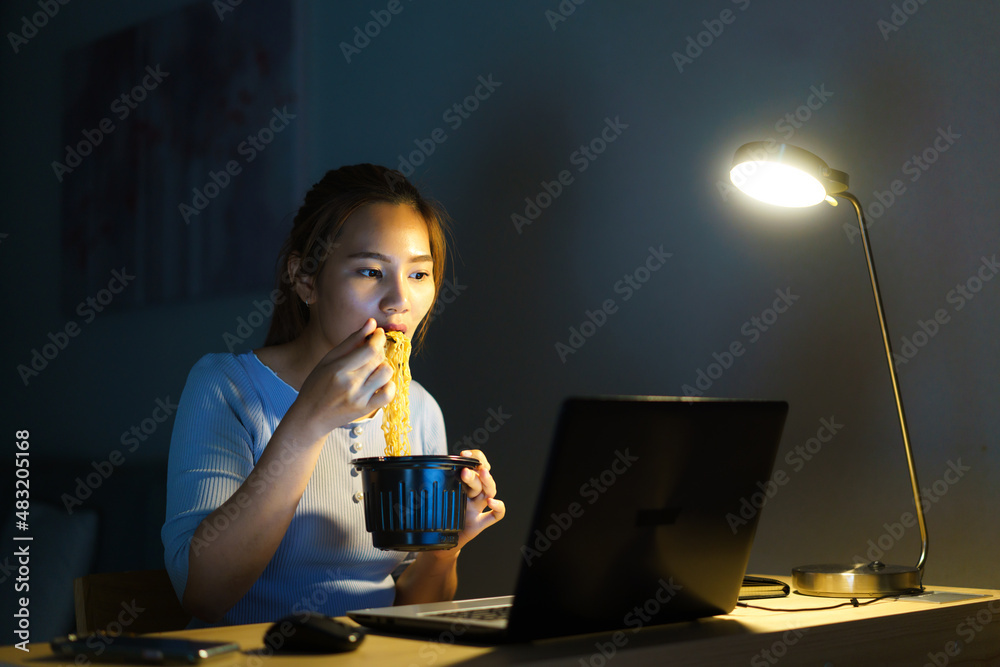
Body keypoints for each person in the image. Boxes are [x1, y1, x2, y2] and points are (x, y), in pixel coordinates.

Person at [161, 164, 504, 626]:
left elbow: (414, 615)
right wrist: (309, 420)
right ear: (305, 278)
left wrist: (446, 549)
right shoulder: (226, 387)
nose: (399, 300)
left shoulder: (418, 408)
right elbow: (201, 595)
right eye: (370, 270)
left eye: (419, 275)